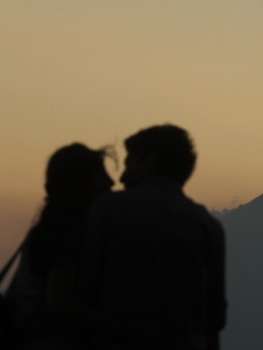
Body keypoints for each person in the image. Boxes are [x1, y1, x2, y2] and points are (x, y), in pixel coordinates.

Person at [80, 124, 226, 350]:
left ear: (152, 160)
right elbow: (214, 318)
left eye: (130, 163)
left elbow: (84, 289)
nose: (122, 176)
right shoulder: (207, 226)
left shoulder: (108, 209)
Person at [6, 143, 114, 349]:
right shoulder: (65, 233)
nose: (111, 182)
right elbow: (60, 304)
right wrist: (122, 329)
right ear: (80, 184)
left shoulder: (49, 230)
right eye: (102, 174)